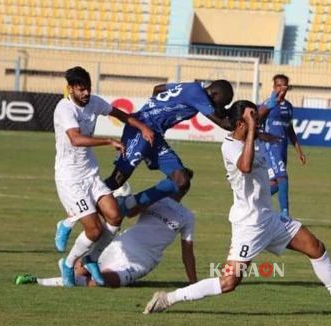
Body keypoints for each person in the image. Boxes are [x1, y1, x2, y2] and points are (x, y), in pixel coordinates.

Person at [142, 100, 331, 319]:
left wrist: (267, 115)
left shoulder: (254, 139)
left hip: (270, 219)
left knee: (316, 247)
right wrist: (255, 130)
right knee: (228, 283)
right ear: (241, 124)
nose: (257, 120)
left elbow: (260, 138)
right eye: (251, 117)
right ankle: (168, 298)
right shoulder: (230, 147)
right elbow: (244, 167)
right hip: (249, 225)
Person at [54, 80, 234, 248]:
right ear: (216, 95)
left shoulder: (191, 87)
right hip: (139, 129)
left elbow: (158, 89)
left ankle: (129, 204)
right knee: (117, 180)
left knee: (181, 180)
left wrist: (158, 110)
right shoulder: (198, 94)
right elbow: (224, 124)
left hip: (154, 135)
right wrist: (249, 124)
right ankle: (71, 217)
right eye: (222, 103)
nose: (220, 108)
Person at [53, 66, 154, 287]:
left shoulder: (94, 102)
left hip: (90, 173)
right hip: (70, 178)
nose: (86, 93)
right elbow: (76, 139)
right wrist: (109, 141)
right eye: (81, 89)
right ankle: (69, 264)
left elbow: (120, 115)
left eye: (87, 88)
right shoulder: (65, 108)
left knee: (115, 216)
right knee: (94, 230)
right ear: (70, 89)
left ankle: (91, 258)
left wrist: (142, 128)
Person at [16, 182, 197, 288]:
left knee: (101, 282)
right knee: (81, 270)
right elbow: (130, 213)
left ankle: (38, 281)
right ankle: (61, 269)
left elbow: (187, 252)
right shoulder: (157, 201)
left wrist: (193, 283)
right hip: (120, 244)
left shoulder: (187, 217)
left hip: (141, 260)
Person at [258, 74, 306, 221]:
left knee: (275, 183)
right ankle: (285, 214)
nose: (281, 89)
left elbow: (289, 129)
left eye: (284, 86)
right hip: (270, 147)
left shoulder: (289, 107)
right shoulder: (267, 105)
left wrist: (299, 150)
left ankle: (255, 201)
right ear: (274, 87)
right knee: (283, 177)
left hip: (282, 148)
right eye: (278, 85)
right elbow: (257, 122)